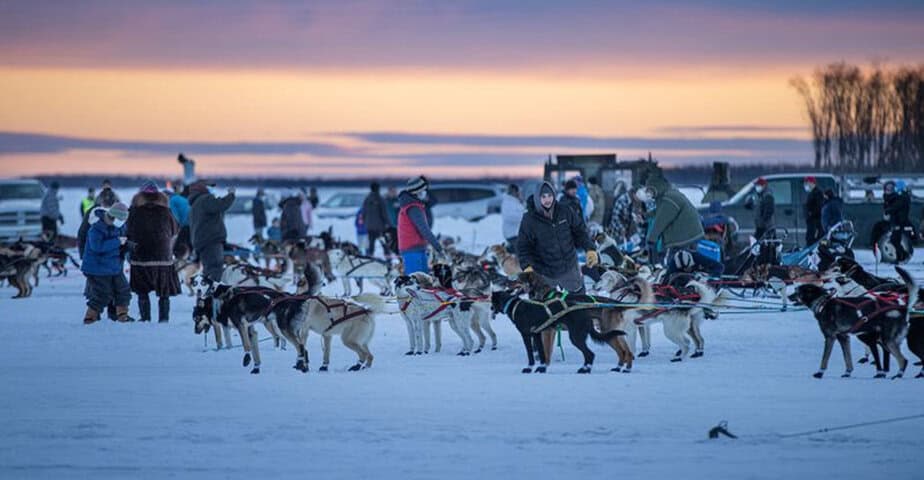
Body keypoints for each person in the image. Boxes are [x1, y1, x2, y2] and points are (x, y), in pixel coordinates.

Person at [517, 181, 598, 364]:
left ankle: (583, 337)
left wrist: (590, 249)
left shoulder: (565, 210)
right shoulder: (529, 219)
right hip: (543, 271)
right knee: (541, 311)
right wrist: (527, 267)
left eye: (550, 196)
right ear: (537, 198)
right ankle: (540, 348)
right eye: (543, 197)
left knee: (579, 304)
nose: (547, 200)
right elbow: (523, 247)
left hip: (568, 265)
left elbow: (580, 232)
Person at [641, 172, 718, 276]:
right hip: (687, 236)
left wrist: (652, 238)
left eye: (650, 189)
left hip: (684, 239)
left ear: (656, 187)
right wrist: (646, 216)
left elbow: (662, 220)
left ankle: (677, 281)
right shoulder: (668, 195)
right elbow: (660, 211)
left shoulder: (670, 198)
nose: (648, 193)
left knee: (676, 265)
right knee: (682, 264)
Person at [126, 181, 180, 322]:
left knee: (142, 291)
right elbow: (175, 230)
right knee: (164, 291)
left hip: (140, 256)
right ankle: (164, 319)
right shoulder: (166, 211)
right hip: (162, 258)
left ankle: (145, 318)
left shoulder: (134, 211)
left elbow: (127, 231)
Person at [82, 202, 133, 324]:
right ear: (113, 217)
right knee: (102, 294)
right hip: (97, 269)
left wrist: (127, 246)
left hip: (115, 267)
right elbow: (97, 247)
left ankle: (122, 315)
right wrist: (117, 242)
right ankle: (90, 317)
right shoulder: (96, 229)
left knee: (124, 290)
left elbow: (123, 240)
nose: (122, 223)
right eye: (121, 220)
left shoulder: (120, 226)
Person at [188, 180, 235, 282]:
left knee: (209, 269)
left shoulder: (195, 204)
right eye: (208, 187)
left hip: (202, 242)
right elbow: (221, 205)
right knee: (214, 269)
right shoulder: (205, 200)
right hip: (211, 241)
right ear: (202, 188)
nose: (211, 190)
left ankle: (207, 288)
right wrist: (231, 195)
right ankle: (212, 290)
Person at [397, 176, 444, 274]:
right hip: (412, 250)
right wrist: (438, 247)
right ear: (417, 192)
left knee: (424, 279)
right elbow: (424, 230)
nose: (425, 193)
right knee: (416, 279)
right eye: (423, 191)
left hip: (417, 248)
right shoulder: (413, 208)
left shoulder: (415, 206)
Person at [362, 182, 390, 256]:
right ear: (378, 189)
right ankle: (388, 257)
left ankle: (370, 256)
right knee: (384, 243)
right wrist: (388, 223)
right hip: (379, 227)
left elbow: (363, 212)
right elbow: (384, 213)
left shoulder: (367, 199)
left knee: (371, 243)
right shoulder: (380, 199)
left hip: (369, 226)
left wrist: (365, 223)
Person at [501, 184, 525, 252]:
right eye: (519, 192)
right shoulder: (508, 202)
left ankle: (505, 251)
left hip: (519, 233)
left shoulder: (515, 202)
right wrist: (524, 217)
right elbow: (509, 217)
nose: (520, 193)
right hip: (513, 233)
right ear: (514, 192)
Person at [609, 180, 633, 245]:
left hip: (623, 229)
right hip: (616, 230)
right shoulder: (622, 199)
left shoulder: (629, 200)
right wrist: (622, 228)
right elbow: (615, 216)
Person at [804, 176, 824, 246]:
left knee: (813, 240)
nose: (805, 185)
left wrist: (811, 213)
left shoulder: (817, 193)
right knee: (809, 238)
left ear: (812, 183)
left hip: (815, 222)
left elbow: (819, 207)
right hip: (811, 222)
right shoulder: (811, 193)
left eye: (806, 183)